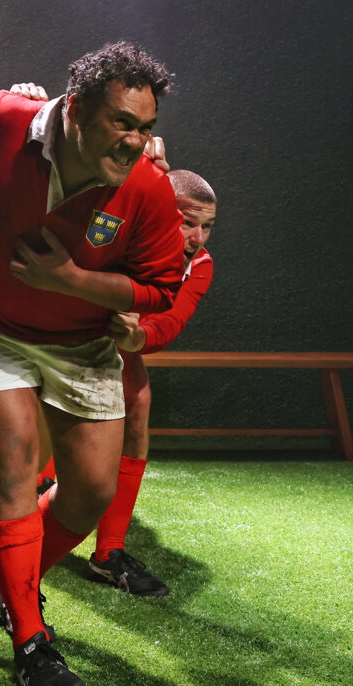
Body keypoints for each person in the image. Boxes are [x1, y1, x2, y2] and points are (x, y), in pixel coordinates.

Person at [0, 42, 184, 686]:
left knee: (89, 491)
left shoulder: (146, 188)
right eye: (122, 123)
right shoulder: (3, 121)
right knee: (13, 460)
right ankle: (31, 642)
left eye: (145, 128)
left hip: (81, 343)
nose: (135, 142)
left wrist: (73, 280)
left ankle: (14, 584)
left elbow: (162, 289)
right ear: (78, 109)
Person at [87, 168, 218, 596]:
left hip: (116, 339)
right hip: (58, 329)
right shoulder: (116, 225)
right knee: (46, 424)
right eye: (187, 222)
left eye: (207, 227)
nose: (197, 238)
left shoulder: (198, 264)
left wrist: (137, 335)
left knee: (137, 400)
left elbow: (171, 322)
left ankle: (108, 552)